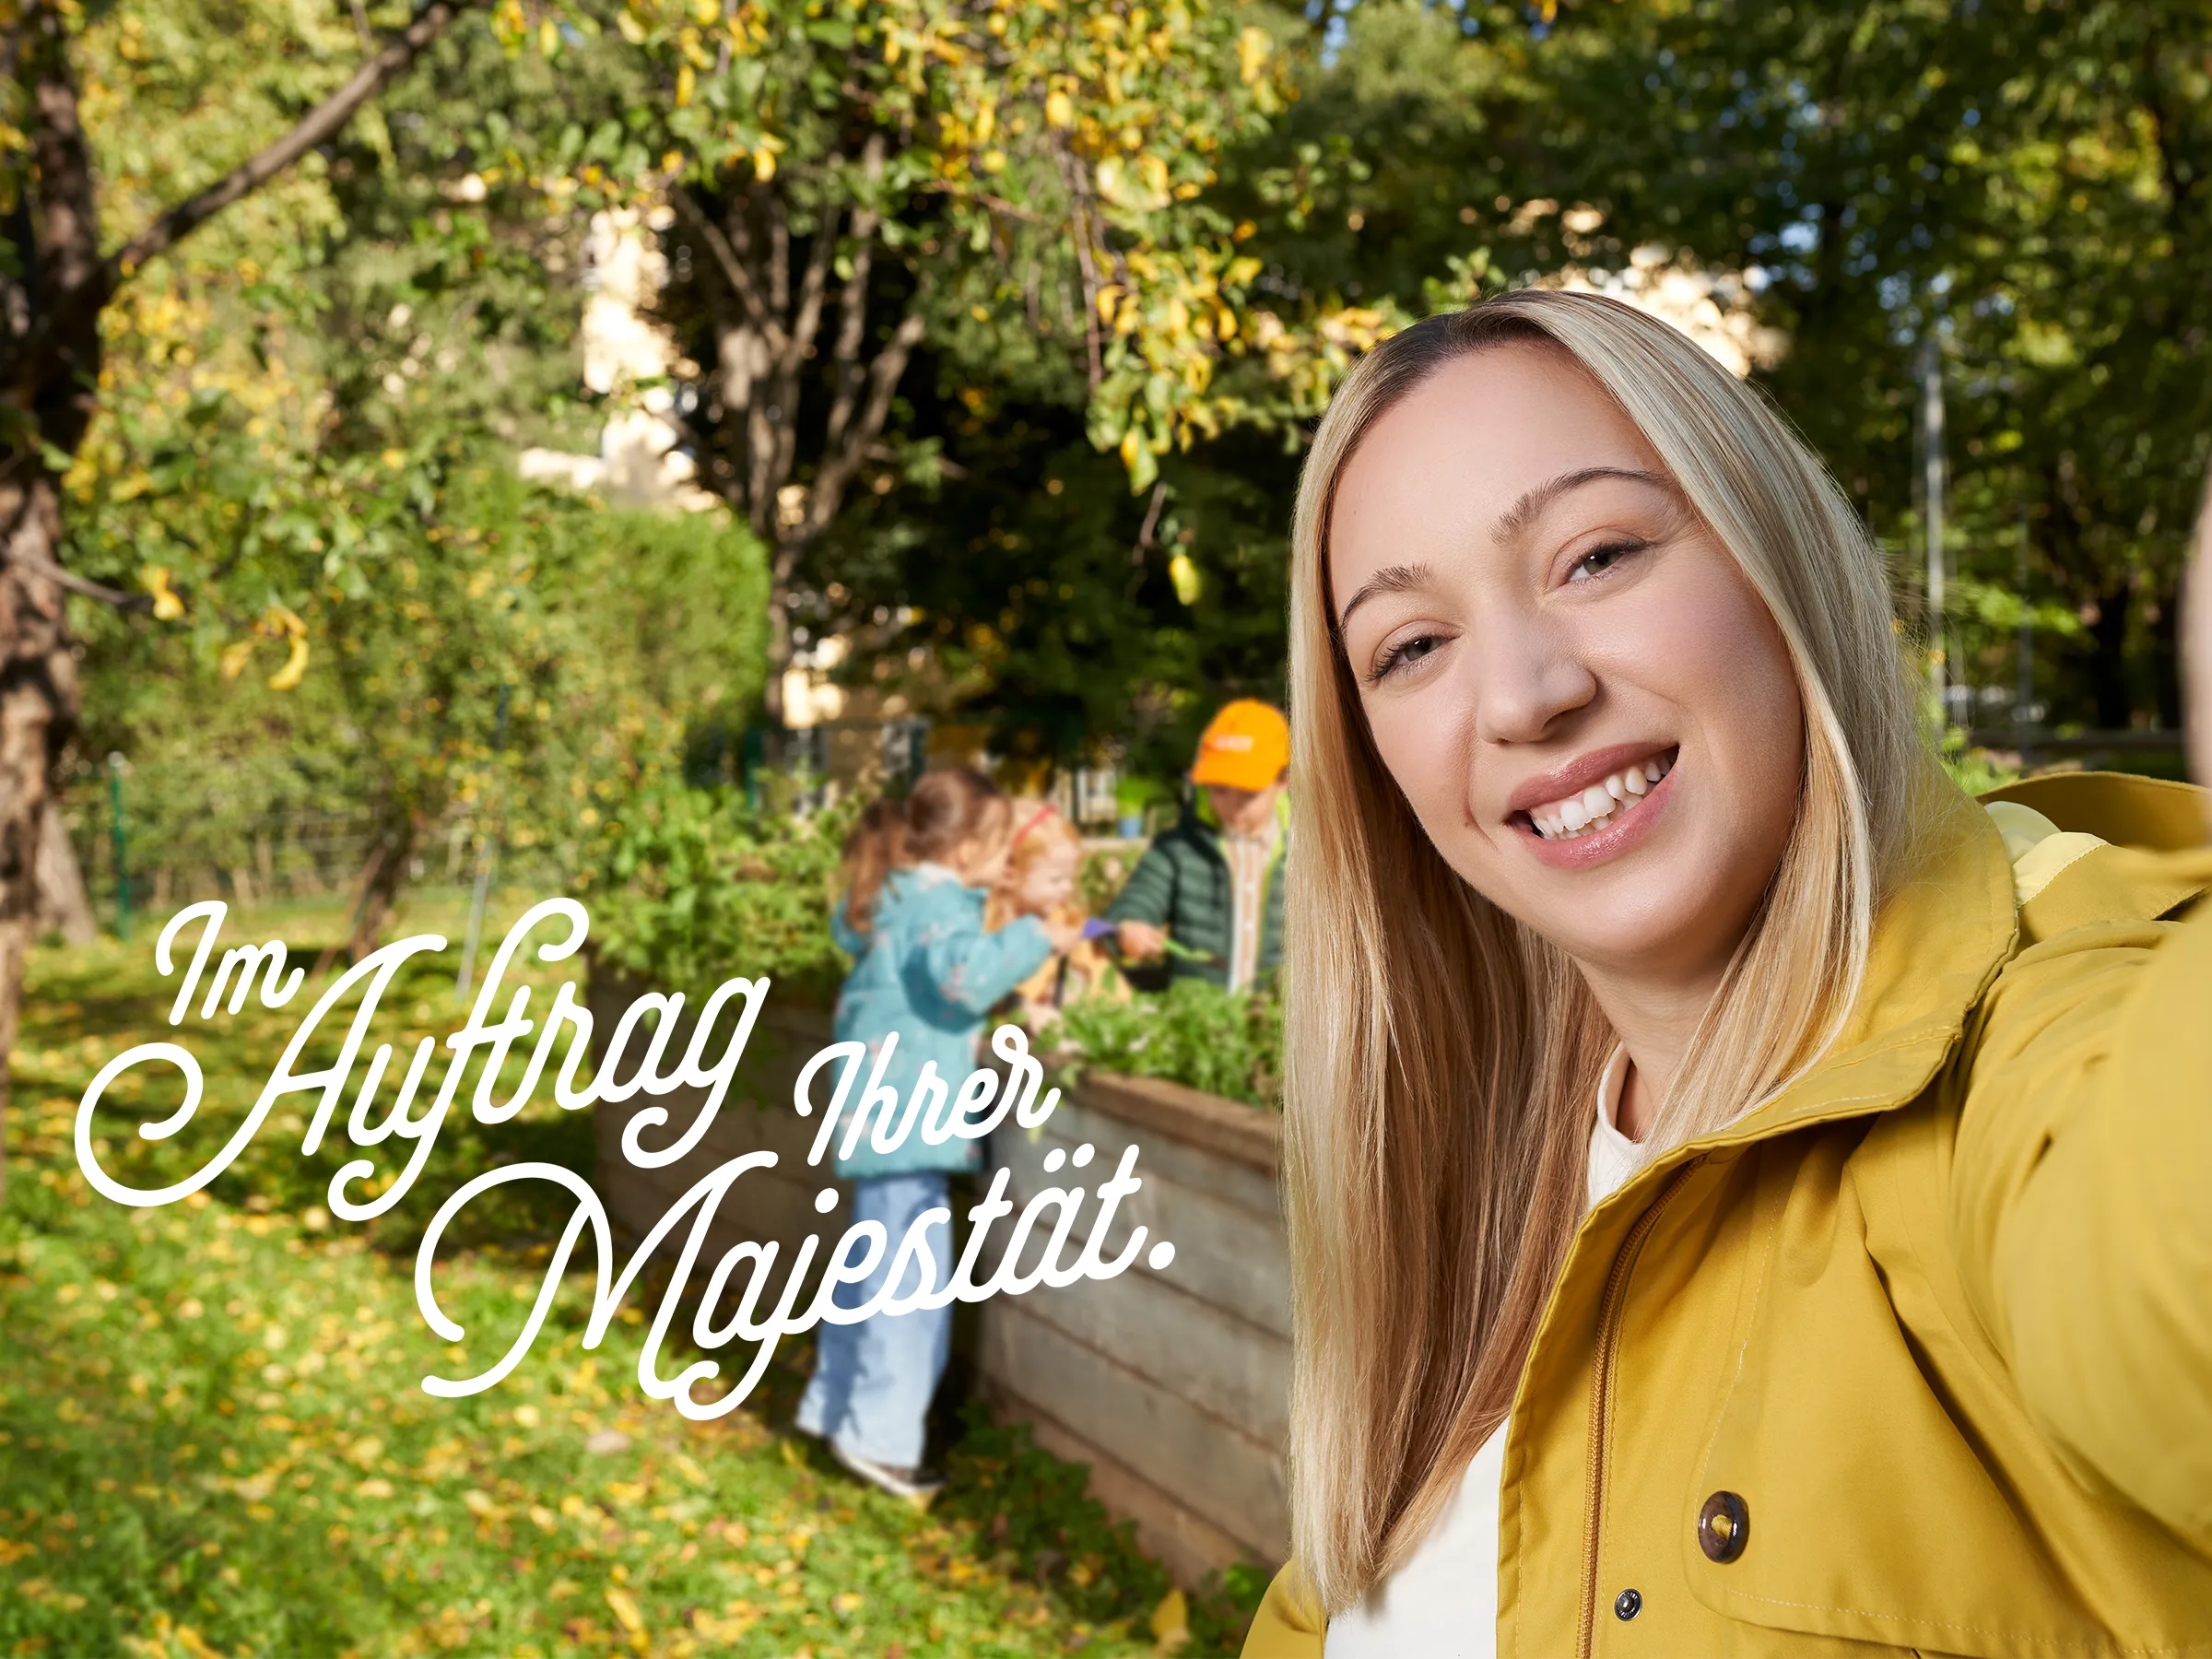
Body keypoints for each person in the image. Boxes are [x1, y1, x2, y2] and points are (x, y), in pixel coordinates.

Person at [1241, 291, 2212, 1654]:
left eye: (1597, 556)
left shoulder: (2054, 1017)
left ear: (1778, 556)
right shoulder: (1462, 1225)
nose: (1525, 696)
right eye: (1411, 646)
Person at [797, 769, 1077, 1501]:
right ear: (962, 850)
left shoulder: (896, 896)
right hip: (906, 1121)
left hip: (878, 1118)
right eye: (996, 847)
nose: (1004, 862)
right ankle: (882, 1443)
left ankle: (839, 1411)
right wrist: (1032, 934)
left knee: (869, 1280)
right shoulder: (936, 908)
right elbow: (960, 979)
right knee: (909, 1294)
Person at [1106, 699, 1290, 992]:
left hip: (1279, 1022)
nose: (1232, 807)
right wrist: (1129, 926)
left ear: (1283, 781)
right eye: (1219, 791)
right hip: (1198, 1018)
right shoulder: (1179, 849)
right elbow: (1135, 903)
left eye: (1248, 795)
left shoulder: (1308, 855)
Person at [985, 803, 1114, 1029]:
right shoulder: (987, 928)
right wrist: (1022, 1010)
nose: (1067, 888)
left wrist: (1076, 982)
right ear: (1009, 873)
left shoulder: (1067, 921)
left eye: (1070, 876)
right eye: (1055, 879)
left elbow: (1100, 976)